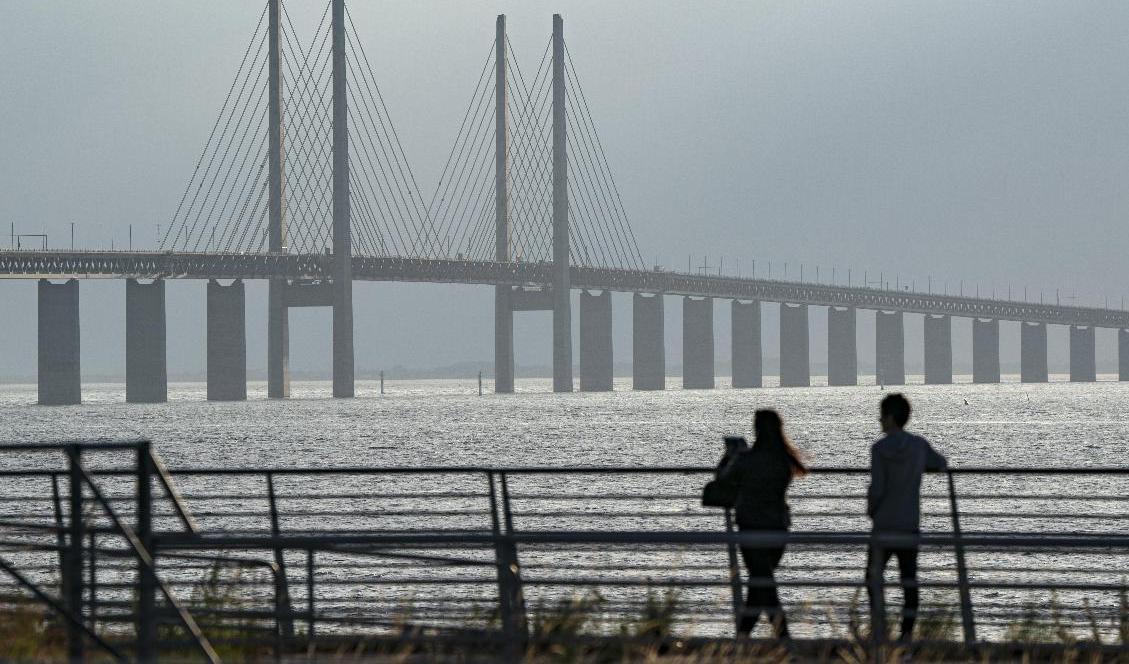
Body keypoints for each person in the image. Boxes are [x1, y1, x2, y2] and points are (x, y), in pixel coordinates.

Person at [717, 409, 808, 639]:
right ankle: (745, 641)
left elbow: (723, 479)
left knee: (761, 587)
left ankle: (780, 642)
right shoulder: (785, 461)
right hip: (778, 530)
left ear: (756, 430)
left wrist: (730, 456)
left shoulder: (746, 460)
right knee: (760, 587)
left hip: (750, 529)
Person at [866, 393, 947, 642]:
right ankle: (906, 634)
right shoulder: (918, 445)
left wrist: (871, 509)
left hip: (883, 526)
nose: (879, 419)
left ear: (890, 418)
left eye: (881, 415)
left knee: (872, 578)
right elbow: (940, 464)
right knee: (909, 582)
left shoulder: (879, 449)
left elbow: (878, 488)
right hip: (909, 525)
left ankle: (879, 629)